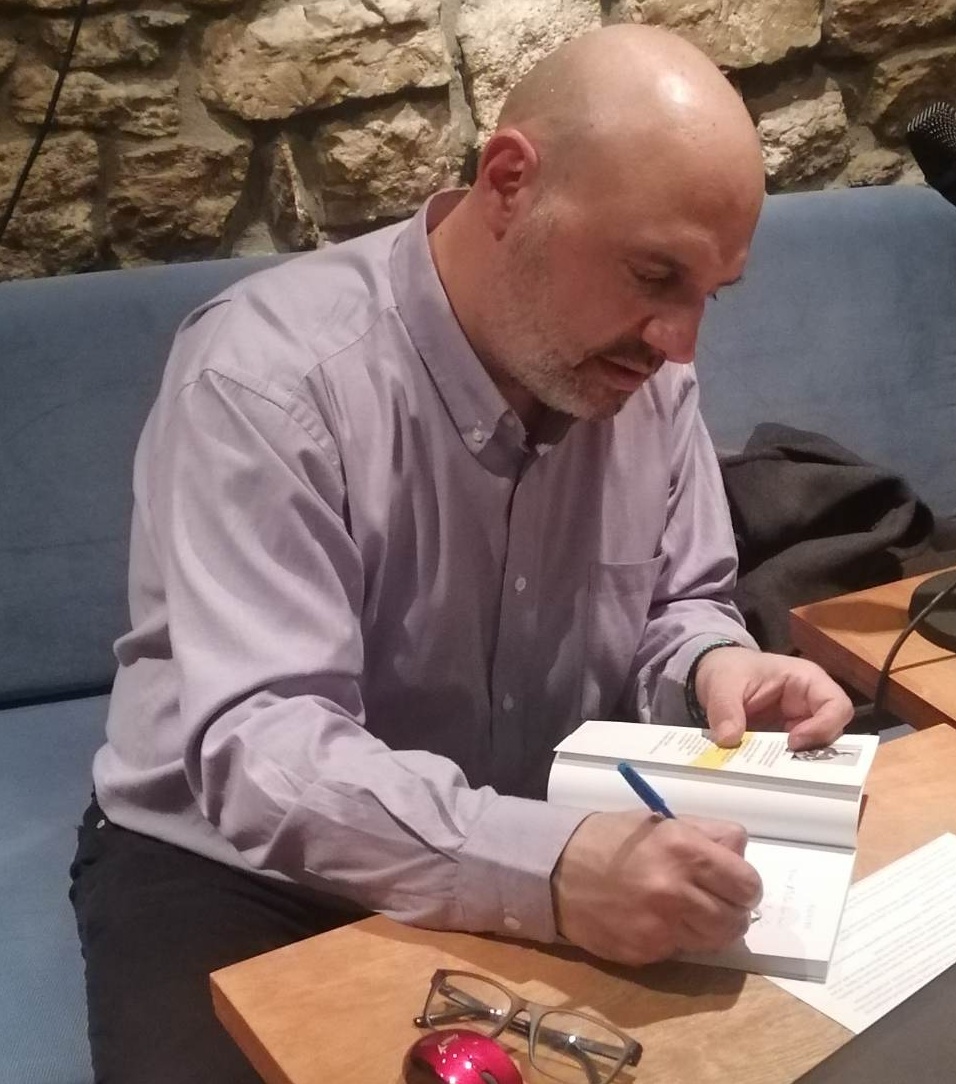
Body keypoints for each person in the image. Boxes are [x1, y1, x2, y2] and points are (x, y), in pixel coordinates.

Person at [70, 23, 854, 1083]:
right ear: (509, 182)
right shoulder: (266, 380)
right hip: (236, 861)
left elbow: (678, 604)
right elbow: (267, 751)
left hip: (541, 826)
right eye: (652, 274)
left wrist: (714, 666)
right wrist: (549, 870)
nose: (680, 343)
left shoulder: (645, 378)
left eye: (707, 295)